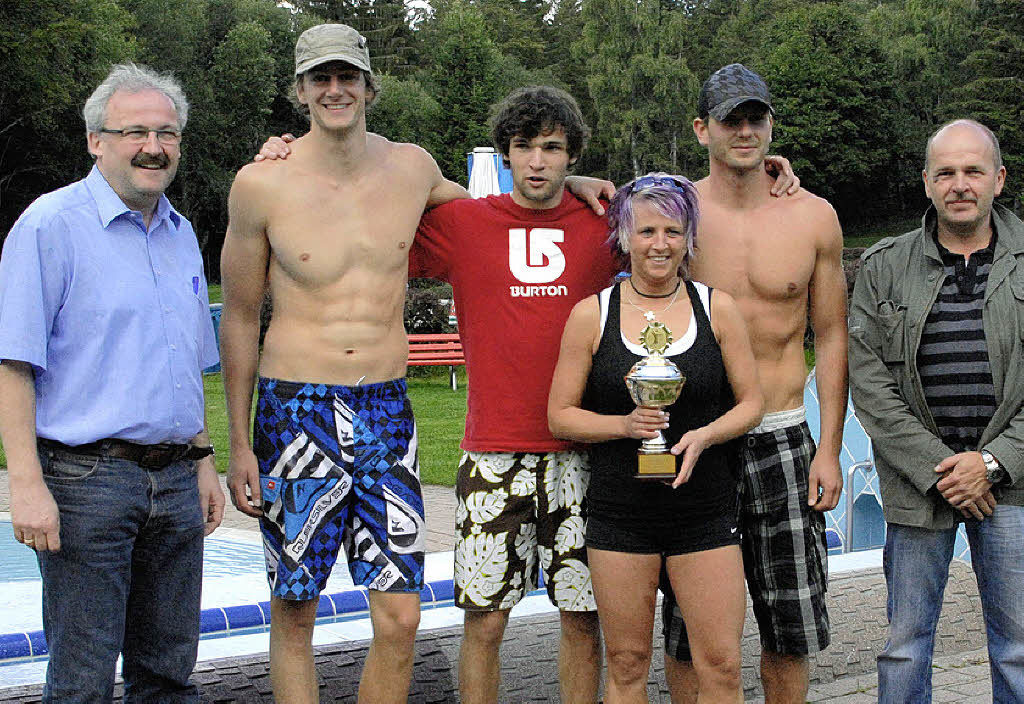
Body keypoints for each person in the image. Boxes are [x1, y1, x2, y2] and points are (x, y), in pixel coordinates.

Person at [219, 23, 475, 703]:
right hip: (295, 411)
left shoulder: (413, 168)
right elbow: (240, 315)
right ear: (300, 90)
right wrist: (240, 441)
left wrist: (587, 184)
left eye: (347, 77)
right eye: (320, 79)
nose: (336, 90)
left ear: (369, 86)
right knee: (296, 607)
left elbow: (501, 217)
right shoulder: (260, 184)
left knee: (401, 613)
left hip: (387, 411)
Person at [0, 63, 223, 702]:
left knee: (167, 674)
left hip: (177, 480)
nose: (153, 147)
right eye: (135, 132)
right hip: (86, 483)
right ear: (96, 140)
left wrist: (204, 460)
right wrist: (26, 485)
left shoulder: (181, 234)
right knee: (82, 678)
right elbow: (13, 364)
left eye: (167, 133)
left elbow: (183, 362)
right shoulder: (50, 226)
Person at [659, 63, 848, 704]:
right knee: (689, 628)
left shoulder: (813, 217)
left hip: (784, 438)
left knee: (789, 625)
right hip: (696, 441)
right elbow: (583, 196)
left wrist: (828, 448)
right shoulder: (671, 212)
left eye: (755, 119)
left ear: (771, 126)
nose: (744, 131)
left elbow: (832, 336)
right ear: (701, 129)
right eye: (730, 120)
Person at [548, 173, 763, 703]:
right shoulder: (591, 314)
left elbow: (753, 403)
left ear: (689, 237)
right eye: (646, 230)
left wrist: (705, 436)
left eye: (672, 230)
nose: (660, 243)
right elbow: (560, 415)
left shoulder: (718, 307)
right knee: (626, 664)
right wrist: (623, 426)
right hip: (621, 515)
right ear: (623, 236)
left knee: (722, 664)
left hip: (704, 512)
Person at [849, 119, 1024, 703]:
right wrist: (943, 469)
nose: (960, 184)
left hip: (1014, 488)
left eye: (973, 170)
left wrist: (993, 463)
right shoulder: (884, 266)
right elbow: (869, 383)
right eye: (945, 172)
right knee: (904, 647)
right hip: (919, 487)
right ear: (926, 182)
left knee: (1018, 648)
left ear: (998, 179)